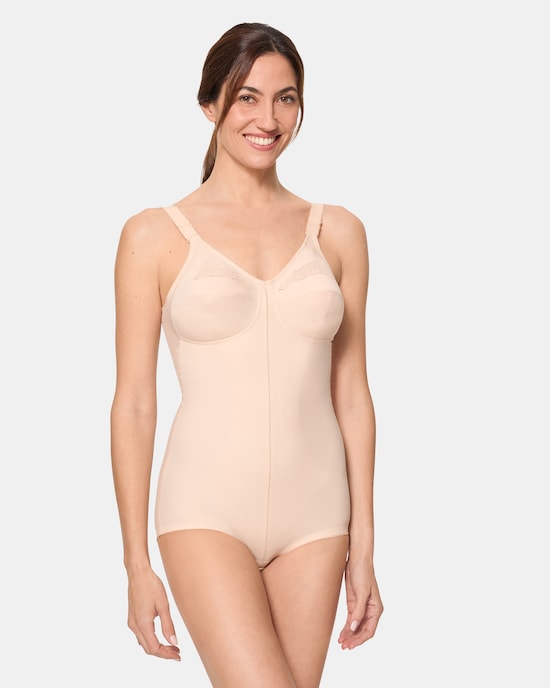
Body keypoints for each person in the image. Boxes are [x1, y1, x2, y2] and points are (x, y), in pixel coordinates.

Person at [110, 21, 383, 688]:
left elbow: (352, 393)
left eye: (285, 99)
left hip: (318, 517)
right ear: (210, 105)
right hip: (205, 511)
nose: (268, 119)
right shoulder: (154, 235)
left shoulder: (339, 232)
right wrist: (136, 564)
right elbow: (135, 404)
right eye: (246, 98)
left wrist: (365, 545)